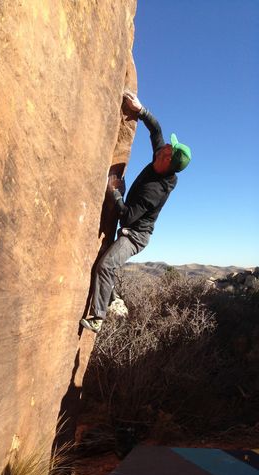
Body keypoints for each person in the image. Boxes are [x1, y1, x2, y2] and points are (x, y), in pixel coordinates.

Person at [80, 91, 191, 333]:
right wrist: (141, 110)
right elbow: (156, 130)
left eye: (168, 150)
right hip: (132, 222)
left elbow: (128, 216)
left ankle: (98, 318)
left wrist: (115, 193)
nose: (164, 147)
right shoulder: (162, 160)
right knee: (107, 264)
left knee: (105, 266)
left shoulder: (155, 190)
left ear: (168, 161)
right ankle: (111, 295)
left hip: (135, 235)